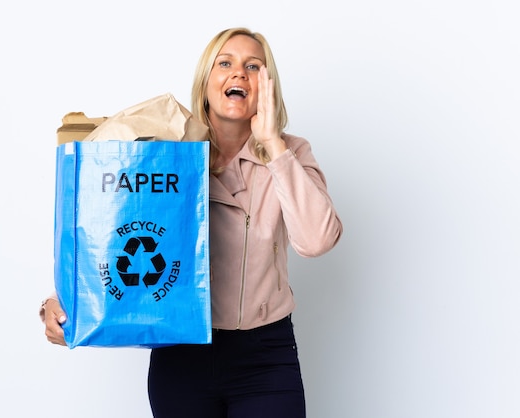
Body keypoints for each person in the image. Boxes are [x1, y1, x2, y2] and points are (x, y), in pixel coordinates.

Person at [41, 27, 342, 418]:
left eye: (253, 66)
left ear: (267, 87)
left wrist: (273, 145)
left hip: (266, 356)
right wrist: (59, 300)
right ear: (205, 84)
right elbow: (113, 230)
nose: (239, 73)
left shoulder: (291, 152)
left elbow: (317, 241)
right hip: (182, 356)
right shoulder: (167, 154)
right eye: (225, 63)